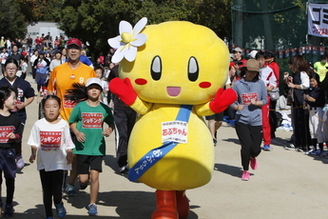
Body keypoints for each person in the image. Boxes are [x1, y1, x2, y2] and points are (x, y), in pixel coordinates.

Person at [47, 38, 96, 196]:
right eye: (70, 48)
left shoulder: (88, 71)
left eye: (77, 48)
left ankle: (69, 183)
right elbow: (50, 92)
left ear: (81, 51)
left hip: (81, 122)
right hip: (60, 120)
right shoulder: (58, 70)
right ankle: (61, 182)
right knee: (61, 154)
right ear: (66, 51)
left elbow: (95, 94)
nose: (73, 51)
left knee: (75, 155)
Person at [67, 77, 114, 216]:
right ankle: (80, 180)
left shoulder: (104, 108)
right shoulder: (80, 106)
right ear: (87, 90)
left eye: (97, 88)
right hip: (82, 147)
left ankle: (92, 204)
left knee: (95, 177)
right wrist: (76, 132)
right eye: (91, 88)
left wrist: (109, 129)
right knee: (83, 180)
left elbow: (111, 123)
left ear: (100, 91)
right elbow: (72, 122)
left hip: (97, 148)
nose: (94, 90)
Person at [28, 95, 75, 219]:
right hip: (43, 163)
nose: (51, 110)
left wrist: (70, 153)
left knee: (57, 191)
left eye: (54, 106)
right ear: (43, 108)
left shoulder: (64, 124)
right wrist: (33, 154)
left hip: (59, 163)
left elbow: (68, 142)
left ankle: (59, 203)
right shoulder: (38, 124)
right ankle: (49, 214)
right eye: (48, 106)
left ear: (59, 108)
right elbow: (34, 142)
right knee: (47, 191)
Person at [231, 59, 267, 181]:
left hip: (256, 120)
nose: (252, 74)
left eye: (255, 72)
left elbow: (265, 100)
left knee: (256, 148)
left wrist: (257, 103)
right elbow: (231, 101)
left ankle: (253, 156)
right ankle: (245, 170)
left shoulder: (260, 84)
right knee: (246, 145)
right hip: (242, 120)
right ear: (245, 71)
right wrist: (236, 106)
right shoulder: (238, 84)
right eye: (250, 72)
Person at [0, 58, 35, 169]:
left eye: (13, 68)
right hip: (4, 114)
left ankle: (18, 154)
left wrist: (24, 105)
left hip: (19, 114)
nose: (11, 71)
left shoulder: (23, 83)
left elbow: (31, 96)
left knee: (17, 135)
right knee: (4, 136)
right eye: (9, 68)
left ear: (18, 69)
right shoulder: (1, 83)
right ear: (5, 69)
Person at [108, 65, 137, 173]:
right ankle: (121, 162)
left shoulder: (136, 67)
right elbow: (111, 84)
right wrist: (110, 100)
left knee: (131, 134)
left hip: (133, 107)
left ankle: (131, 160)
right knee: (122, 134)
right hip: (119, 108)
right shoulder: (115, 69)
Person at [0, 86, 24, 217]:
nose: (15, 101)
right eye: (13, 98)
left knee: (10, 179)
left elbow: (20, 134)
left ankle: (9, 204)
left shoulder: (16, 118)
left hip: (9, 152)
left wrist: (15, 136)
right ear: (4, 99)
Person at [284, 55, 311, 152]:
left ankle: (304, 144)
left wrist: (294, 85)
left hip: (301, 102)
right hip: (295, 102)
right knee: (296, 122)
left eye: (291, 64)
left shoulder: (302, 73)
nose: (290, 66)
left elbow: (306, 85)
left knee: (302, 123)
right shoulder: (295, 74)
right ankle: (297, 142)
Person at [256, 51, 277, 151]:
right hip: (253, 98)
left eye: (262, 59)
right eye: (259, 59)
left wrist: (271, 87)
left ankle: (267, 142)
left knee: (265, 121)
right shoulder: (252, 70)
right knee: (253, 120)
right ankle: (254, 140)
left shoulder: (269, 70)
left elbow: (274, 82)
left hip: (264, 98)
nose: (260, 62)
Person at [303, 73, 325, 155]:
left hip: (318, 111)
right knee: (312, 130)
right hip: (311, 110)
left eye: (313, 81)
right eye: (310, 81)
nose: (312, 83)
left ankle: (321, 148)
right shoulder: (310, 90)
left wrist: (308, 98)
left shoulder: (319, 90)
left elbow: (314, 99)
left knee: (318, 130)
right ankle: (314, 147)